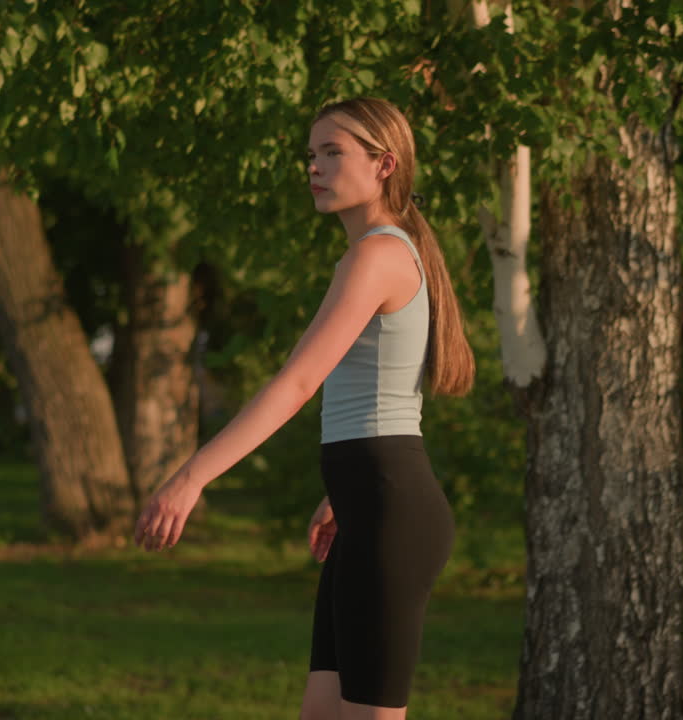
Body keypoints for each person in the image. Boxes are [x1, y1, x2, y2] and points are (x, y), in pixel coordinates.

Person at [132, 96, 475, 719]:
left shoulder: (377, 256)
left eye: (332, 152)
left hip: (392, 513)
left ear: (384, 165)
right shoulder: (375, 253)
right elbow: (372, 396)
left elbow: (296, 386)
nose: (313, 167)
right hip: (369, 506)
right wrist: (342, 493)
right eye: (311, 154)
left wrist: (191, 478)